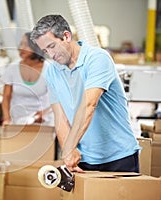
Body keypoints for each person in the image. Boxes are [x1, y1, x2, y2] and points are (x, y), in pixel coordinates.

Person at [30, 15, 141, 173]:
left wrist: (70, 146)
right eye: (45, 50)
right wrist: (69, 152)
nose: (51, 54)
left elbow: (89, 104)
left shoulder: (97, 59)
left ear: (66, 36)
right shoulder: (52, 72)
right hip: (83, 160)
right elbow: (60, 117)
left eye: (52, 46)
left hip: (119, 158)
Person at [0, 32, 54, 126]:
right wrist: (7, 119)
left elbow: (57, 99)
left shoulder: (50, 69)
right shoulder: (12, 68)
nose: (21, 48)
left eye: (26, 45)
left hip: (43, 122)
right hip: (17, 121)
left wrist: (43, 113)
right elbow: (6, 97)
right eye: (21, 44)